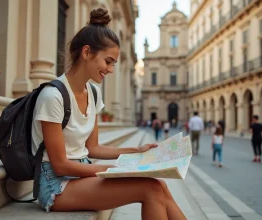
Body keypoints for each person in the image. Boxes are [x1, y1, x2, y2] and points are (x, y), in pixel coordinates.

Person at [31, 8, 186, 220]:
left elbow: (92, 147)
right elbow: (60, 165)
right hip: (56, 185)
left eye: (113, 64)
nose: (110, 69)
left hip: (80, 175)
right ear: (86, 53)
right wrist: (116, 169)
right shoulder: (52, 96)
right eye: (108, 61)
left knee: (158, 184)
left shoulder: (93, 94)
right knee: (150, 188)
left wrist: (137, 151)